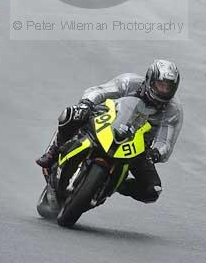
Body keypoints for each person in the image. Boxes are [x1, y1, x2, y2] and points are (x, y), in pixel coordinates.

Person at [36, 59, 183, 204]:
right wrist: (86, 104)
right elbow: (99, 91)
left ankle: (115, 185)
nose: (164, 90)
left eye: (168, 87)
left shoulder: (173, 110)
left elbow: (165, 142)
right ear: (150, 79)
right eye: (160, 85)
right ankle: (53, 152)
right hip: (109, 122)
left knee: (153, 190)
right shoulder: (129, 82)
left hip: (138, 146)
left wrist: (156, 153)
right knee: (71, 114)